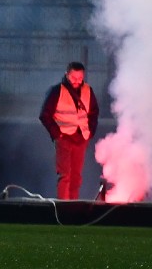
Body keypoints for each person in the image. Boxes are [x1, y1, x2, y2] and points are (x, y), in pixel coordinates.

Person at [38, 61, 100, 201]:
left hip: (81, 138)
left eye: (80, 78)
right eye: (74, 78)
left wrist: (89, 131)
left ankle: (73, 205)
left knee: (76, 176)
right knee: (65, 175)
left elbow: (94, 113)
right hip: (64, 138)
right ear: (67, 75)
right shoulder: (57, 91)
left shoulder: (88, 90)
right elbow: (44, 115)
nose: (77, 81)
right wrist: (57, 134)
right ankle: (63, 206)